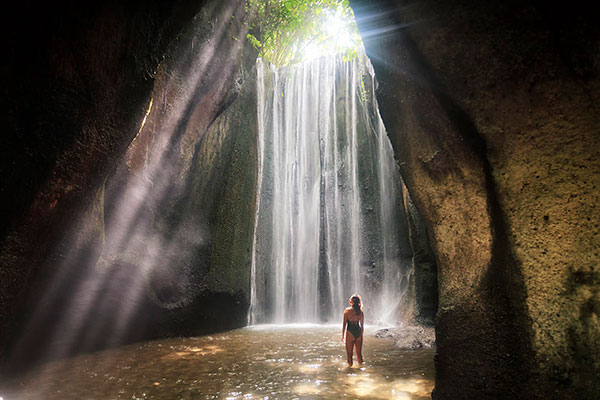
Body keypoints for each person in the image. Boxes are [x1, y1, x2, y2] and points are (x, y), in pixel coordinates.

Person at [342, 294, 364, 367]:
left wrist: (343, 335)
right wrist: (360, 335)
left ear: (351, 302)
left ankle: (349, 371)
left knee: (349, 354)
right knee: (359, 355)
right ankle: (362, 370)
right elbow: (362, 326)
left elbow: (344, 325)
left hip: (350, 332)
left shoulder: (347, 311)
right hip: (359, 333)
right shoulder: (361, 312)